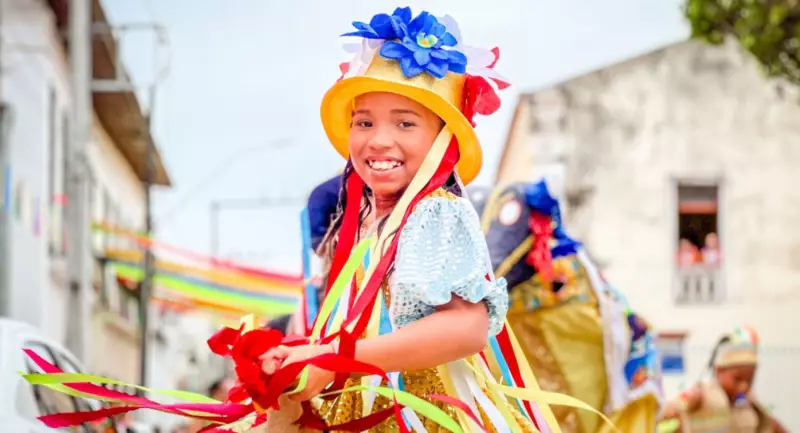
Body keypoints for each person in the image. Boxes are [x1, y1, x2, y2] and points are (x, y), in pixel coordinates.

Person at [258, 6, 568, 432]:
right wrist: (301, 360)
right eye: (364, 121)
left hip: (426, 418)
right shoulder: (371, 224)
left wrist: (334, 359)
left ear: (442, 139)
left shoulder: (434, 211)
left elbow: (468, 325)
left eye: (405, 123)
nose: (379, 140)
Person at [661, 327, 788, 432]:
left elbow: (771, 425)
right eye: (737, 379)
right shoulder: (702, 394)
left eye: (750, 380)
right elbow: (671, 411)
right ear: (719, 371)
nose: (744, 386)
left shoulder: (750, 403)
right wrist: (676, 409)